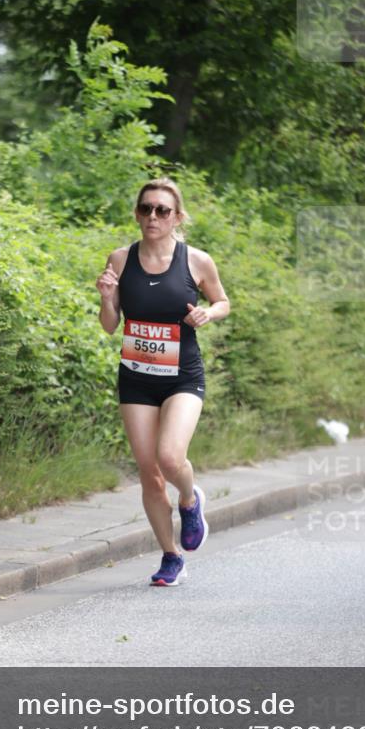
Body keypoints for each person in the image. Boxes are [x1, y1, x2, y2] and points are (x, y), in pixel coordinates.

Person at [95, 177, 230, 586]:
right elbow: (109, 326)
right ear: (137, 213)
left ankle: (190, 501)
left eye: (162, 210)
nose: (153, 216)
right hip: (136, 377)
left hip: (182, 375)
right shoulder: (120, 260)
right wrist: (105, 297)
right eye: (146, 209)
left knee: (171, 458)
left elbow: (222, 301)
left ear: (177, 217)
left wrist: (208, 314)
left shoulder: (196, 261)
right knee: (150, 471)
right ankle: (171, 556)